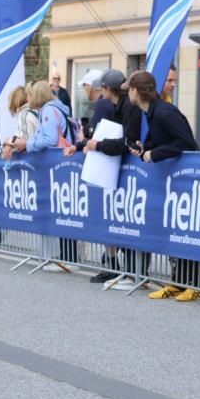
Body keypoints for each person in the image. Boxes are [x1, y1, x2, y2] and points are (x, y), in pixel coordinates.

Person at [127, 70, 200, 302]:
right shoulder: (152, 111)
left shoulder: (164, 111)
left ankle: (197, 286)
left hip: (187, 179)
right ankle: (178, 282)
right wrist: (145, 148)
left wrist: (155, 153)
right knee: (176, 231)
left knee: (189, 231)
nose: (128, 94)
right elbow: (162, 140)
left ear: (135, 91)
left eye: (129, 89)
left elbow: (186, 143)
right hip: (173, 180)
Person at [66, 69, 146, 287]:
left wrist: (94, 145)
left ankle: (130, 272)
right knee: (116, 218)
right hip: (115, 166)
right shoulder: (118, 105)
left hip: (120, 167)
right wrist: (83, 145)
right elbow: (108, 136)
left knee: (126, 219)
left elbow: (122, 140)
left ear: (108, 89)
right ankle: (118, 268)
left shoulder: (120, 106)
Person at [8, 79, 78, 270]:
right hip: (64, 163)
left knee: (64, 211)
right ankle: (68, 258)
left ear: (36, 95)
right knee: (65, 210)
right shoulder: (57, 108)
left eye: (30, 94)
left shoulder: (48, 111)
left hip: (59, 164)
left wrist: (27, 145)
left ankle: (68, 260)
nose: (27, 98)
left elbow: (49, 139)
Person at [0, 84, 37, 161]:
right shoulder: (34, 112)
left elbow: (23, 141)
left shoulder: (24, 114)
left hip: (31, 159)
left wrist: (8, 141)